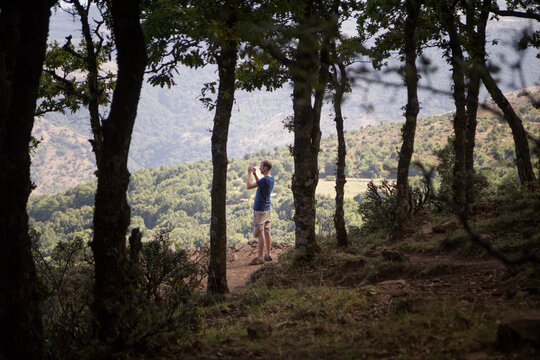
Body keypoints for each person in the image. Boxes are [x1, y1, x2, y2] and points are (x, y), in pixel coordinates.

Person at [246, 160, 275, 265]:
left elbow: (248, 186)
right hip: (266, 209)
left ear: (266, 168)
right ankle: (268, 254)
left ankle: (260, 257)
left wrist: (248, 173)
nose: (259, 168)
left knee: (260, 233)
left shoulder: (265, 180)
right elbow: (260, 184)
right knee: (267, 231)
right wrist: (255, 174)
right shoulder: (270, 179)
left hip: (260, 210)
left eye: (261, 166)